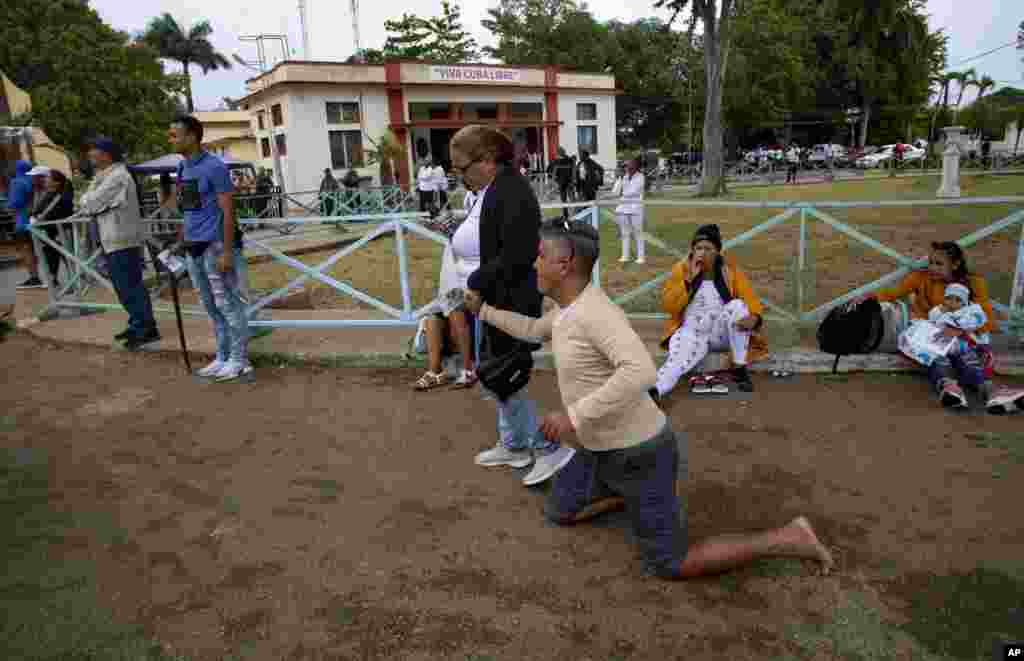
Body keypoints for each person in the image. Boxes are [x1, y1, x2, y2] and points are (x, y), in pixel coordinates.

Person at [463, 219, 834, 579]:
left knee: (671, 563)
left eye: (540, 255)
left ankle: (791, 537)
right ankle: (628, 495)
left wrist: (573, 416)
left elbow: (639, 371)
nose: (534, 263)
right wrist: (483, 311)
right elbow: (532, 329)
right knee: (560, 509)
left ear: (564, 264)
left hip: (640, 453)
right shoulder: (566, 310)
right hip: (599, 450)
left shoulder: (595, 314)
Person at [451, 125, 575, 487]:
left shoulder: (511, 192)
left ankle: (548, 449)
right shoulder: (496, 189)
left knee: (503, 378)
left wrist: (475, 283)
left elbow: (518, 255)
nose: (459, 176)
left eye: (463, 167)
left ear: (488, 160)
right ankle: (515, 444)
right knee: (499, 378)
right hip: (499, 298)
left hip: (511, 301)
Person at [856, 241, 1023, 413]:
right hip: (927, 333)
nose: (932, 268)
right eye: (931, 263)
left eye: (939, 264)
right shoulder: (920, 278)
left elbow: (986, 318)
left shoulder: (973, 282)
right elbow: (894, 292)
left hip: (961, 335)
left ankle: (991, 392)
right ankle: (950, 389)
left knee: (964, 354)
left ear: (956, 264)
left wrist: (959, 330)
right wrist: (869, 297)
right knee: (937, 355)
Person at [168, 115, 251, 382]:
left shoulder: (214, 167)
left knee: (228, 304)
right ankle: (223, 355)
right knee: (210, 305)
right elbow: (188, 210)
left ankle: (240, 359)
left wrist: (227, 251)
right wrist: (180, 242)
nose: (170, 139)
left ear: (191, 136)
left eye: (174, 135)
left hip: (215, 246)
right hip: (193, 247)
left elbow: (228, 212)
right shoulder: (182, 169)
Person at [654, 224, 766, 397]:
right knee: (675, 362)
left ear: (717, 251)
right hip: (692, 331)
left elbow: (749, 299)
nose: (702, 253)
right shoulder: (681, 269)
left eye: (708, 248)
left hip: (721, 332)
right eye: (698, 248)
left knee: (737, 306)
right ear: (692, 250)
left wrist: (755, 317)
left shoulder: (730, 269)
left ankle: (739, 367)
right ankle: (656, 391)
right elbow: (669, 307)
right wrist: (687, 281)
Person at [79, 137, 159, 349]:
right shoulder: (103, 176)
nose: (89, 154)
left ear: (106, 154)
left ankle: (146, 328)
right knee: (123, 286)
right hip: (112, 239)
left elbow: (90, 203)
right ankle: (136, 323)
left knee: (130, 286)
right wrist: (91, 201)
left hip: (122, 239)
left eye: (93, 150)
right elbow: (87, 202)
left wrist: (91, 201)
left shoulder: (117, 177)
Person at [413, 183, 481, 391]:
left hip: (476, 280)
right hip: (455, 277)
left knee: (455, 310)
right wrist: (447, 225)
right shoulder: (471, 201)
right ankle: (435, 372)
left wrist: (450, 227)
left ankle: (468, 370)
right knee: (434, 316)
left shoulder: (488, 202)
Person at [28, 168, 75, 287]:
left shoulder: (61, 197)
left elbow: (55, 213)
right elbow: (38, 210)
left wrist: (38, 218)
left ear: (56, 182)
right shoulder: (48, 194)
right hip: (50, 231)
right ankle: (53, 279)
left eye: (48, 178)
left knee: (68, 257)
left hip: (61, 231)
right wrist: (34, 216)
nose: (45, 179)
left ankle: (75, 282)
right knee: (50, 256)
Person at [7, 160, 44, 289]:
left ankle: (34, 277)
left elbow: (14, 204)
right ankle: (48, 277)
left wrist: (10, 208)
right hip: (37, 221)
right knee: (36, 249)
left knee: (26, 250)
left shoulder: (17, 182)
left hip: (22, 222)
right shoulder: (34, 181)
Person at [612, 159, 646, 264]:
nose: (626, 168)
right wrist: (619, 178)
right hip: (623, 207)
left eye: (628, 165)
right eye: (625, 166)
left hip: (635, 207)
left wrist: (623, 194)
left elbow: (634, 191)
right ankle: (625, 256)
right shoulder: (624, 177)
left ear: (635, 166)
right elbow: (615, 192)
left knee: (638, 232)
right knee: (624, 233)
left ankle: (641, 257)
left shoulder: (641, 177)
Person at [547, 148, 575, 220]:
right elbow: (573, 170)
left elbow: (552, 173)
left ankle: (567, 215)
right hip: (567, 183)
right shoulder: (569, 160)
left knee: (565, 200)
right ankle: (571, 214)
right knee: (569, 199)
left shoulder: (556, 162)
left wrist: (552, 182)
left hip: (564, 183)